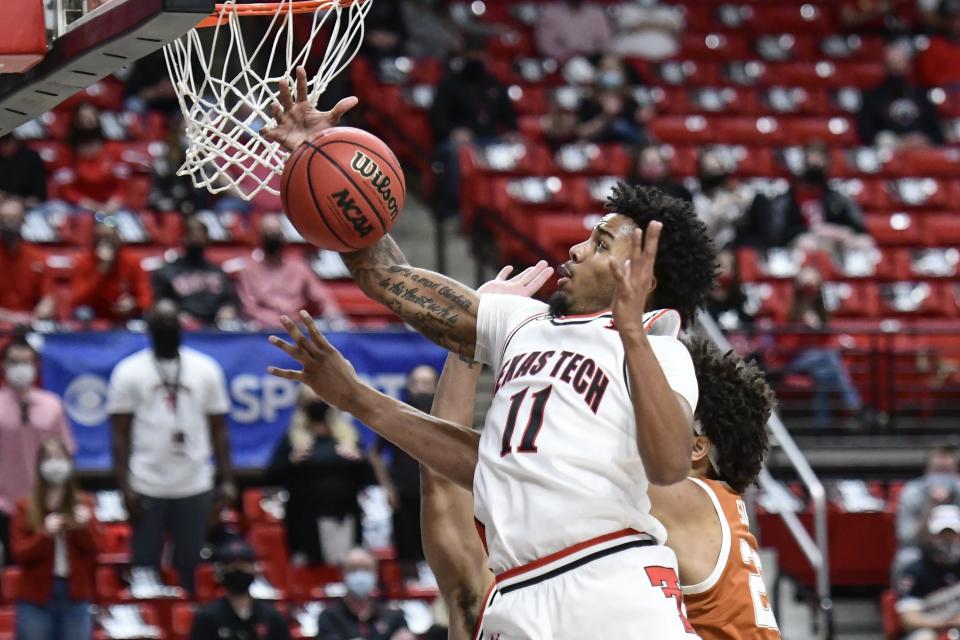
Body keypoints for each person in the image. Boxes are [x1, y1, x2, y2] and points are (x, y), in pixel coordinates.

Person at [266, 71, 717, 638]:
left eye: (600, 244)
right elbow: (387, 277)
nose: (575, 248)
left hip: (608, 579)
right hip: (514, 589)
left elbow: (670, 463)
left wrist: (629, 334)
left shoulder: (657, 347)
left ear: (640, 276)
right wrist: (320, 157)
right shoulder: (522, 324)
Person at [418, 322, 780, 639]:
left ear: (697, 448)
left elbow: (511, 465)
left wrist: (482, 334)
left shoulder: (685, 496)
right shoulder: (708, 511)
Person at [107, 300, 235, 595]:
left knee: (191, 567)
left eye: (171, 323)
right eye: (160, 323)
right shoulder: (128, 371)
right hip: (146, 483)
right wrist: (123, 485)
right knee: (144, 570)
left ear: (181, 328)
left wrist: (227, 479)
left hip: (195, 482)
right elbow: (119, 436)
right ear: (149, 330)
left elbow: (219, 430)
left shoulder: (206, 368)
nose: (167, 329)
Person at [267, 395, 374, 566]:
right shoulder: (292, 439)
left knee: (346, 566)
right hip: (306, 520)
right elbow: (272, 477)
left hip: (344, 516)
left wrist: (359, 459)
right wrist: (291, 460)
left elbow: (369, 477)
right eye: (312, 401)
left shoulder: (348, 437)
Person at [11, 438, 100, 640]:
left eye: (59, 458)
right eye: (49, 458)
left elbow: (96, 549)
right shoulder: (25, 507)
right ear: (40, 465)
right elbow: (19, 553)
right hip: (35, 600)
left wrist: (83, 528)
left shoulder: (84, 503)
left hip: (75, 597)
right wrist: (44, 534)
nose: (55, 464)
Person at [0, 336, 74, 566]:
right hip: (4, 505)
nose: (21, 369)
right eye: (14, 362)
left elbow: (66, 454)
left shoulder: (52, 406)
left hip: (45, 503)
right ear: (3, 365)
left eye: (26, 362)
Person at [430, 41, 518, 219]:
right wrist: (454, 131)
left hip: (491, 140)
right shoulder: (450, 84)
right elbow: (437, 118)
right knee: (457, 153)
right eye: (472, 53)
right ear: (464, 56)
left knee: (519, 151)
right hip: (458, 142)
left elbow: (509, 117)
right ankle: (455, 208)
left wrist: (511, 132)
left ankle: (505, 211)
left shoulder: (493, 84)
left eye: (480, 53)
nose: (476, 57)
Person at [369, 365, 438, 579]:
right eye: (416, 383)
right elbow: (376, 454)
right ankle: (409, 587)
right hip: (404, 492)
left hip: (438, 494)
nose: (421, 389)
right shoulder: (397, 416)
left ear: (436, 387)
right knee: (407, 549)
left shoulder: (446, 416)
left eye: (426, 384)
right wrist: (388, 488)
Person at [740, 144, 873, 252]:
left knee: (865, 242)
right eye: (812, 157)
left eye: (820, 158)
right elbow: (780, 232)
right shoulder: (789, 197)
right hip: (805, 240)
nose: (816, 162)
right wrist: (812, 230)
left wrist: (840, 232)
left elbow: (858, 227)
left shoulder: (836, 197)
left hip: (834, 239)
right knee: (808, 244)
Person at [777, 266, 864, 427]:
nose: (809, 291)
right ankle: (854, 404)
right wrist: (802, 327)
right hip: (794, 360)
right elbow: (784, 345)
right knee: (829, 357)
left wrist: (818, 328)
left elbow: (827, 341)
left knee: (823, 373)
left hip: (818, 361)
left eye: (813, 286)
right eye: (806, 286)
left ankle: (822, 423)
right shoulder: (788, 310)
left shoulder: (821, 311)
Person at [236, 214, 343, 329]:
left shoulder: (299, 267)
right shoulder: (249, 270)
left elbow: (322, 297)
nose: (273, 237)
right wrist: (274, 321)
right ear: (260, 237)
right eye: (268, 233)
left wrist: (332, 314)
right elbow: (248, 308)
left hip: (295, 328)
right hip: (263, 331)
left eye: (276, 233)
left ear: (283, 236)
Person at [189, 539, 290, 640]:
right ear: (220, 572)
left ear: (255, 570)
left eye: (243, 564)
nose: (238, 569)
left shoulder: (272, 618)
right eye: (232, 565)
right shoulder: (207, 618)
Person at [151, 217, 239, 327]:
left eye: (200, 236)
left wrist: (228, 309)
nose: (196, 240)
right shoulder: (168, 270)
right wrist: (176, 315)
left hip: (215, 325)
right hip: (181, 326)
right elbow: (161, 302)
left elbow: (230, 300)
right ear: (183, 238)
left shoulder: (216, 271)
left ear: (206, 239)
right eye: (192, 236)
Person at [857, 40, 945, 148]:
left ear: (908, 65)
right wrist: (898, 141)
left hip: (921, 152)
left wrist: (924, 138)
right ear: (885, 66)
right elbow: (866, 133)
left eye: (900, 63)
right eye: (892, 64)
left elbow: (938, 133)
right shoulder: (872, 97)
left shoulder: (922, 95)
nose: (897, 69)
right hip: (889, 154)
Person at [315, 547, 414, 640]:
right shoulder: (329, 617)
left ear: (376, 574)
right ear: (341, 575)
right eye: (353, 569)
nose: (360, 574)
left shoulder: (393, 615)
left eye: (366, 569)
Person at [69, 215, 153, 323]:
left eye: (110, 238)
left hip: (127, 313)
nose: (106, 243)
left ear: (118, 238)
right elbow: (78, 300)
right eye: (101, 238)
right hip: (96, 312)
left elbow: (147, 299)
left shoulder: (133, 261)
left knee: (149, 314)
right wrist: (101, 271)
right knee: (82, 313)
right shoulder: (83, 262)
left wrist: (134, 303)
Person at [895, 505, 960, 639]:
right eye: (941, 534)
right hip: (929, 629)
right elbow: (909, 620)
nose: (947, 539)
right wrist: (946, 623)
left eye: (952, 534)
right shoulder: (915, 571)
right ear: (930, 535)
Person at [55, 102, 130, 214]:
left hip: (111, 205)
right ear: (75, 121)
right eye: (83, 118)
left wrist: (113, 203)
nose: (87, 121)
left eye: (91, 117)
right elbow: (66, 188)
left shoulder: (113, 148)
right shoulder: (66, 151)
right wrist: (91, 206)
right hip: (78, 206)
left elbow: (123, 184)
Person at [895, 447, 960, 574]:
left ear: (956, 472)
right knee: (905, 558)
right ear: (927, 471)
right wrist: (932, 506)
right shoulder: (912, 493)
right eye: (937, 471)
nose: (942, 477)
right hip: (922, 550)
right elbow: (908, 540)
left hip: (957, 547)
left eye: (947, 471)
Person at [574, 54, 651, 146]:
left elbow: (642, 131)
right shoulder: (588, 100)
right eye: (606, 69)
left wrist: (644, 115)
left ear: (622, 72)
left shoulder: (630, 99)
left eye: (613, 69)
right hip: (597, 148)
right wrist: (606, 116)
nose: (609, 72)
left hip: (629, 149)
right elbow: (582, 132)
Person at [0, 197, 55, 323]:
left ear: (23, 221)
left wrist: (38, 315)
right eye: (4, 220)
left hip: (29, 326)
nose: (9, 224)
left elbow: (48, 299)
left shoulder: (37, 256)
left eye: (13, 219)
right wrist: (12, 319)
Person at [692, 148, 753, 249]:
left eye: (716, 167)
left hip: (736, 244)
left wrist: (735, 199)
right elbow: (704, 230)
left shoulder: (737, 190)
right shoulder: (700, 198)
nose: (713, 172)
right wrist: (720, 209)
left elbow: (748, 203)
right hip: (711, 244)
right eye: (708, 169)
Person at [534, 0, 613, 61]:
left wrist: (591, 55)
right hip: (560, 63)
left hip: (592, 61)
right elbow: (546, 45)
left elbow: (605, 43)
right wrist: (567, 56)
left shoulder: (596, 13)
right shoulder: (550, 13)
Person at [610, 0, 684, 61]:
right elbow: (629, 26)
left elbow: (675, 28)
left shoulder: (669, 11)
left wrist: (645, 24)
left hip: (664, 57)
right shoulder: (625, 8)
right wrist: (659, 25)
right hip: (629, 56)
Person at [917, 0, 960, 90]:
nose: (955, 22)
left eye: (958, 17)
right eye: (949, 18)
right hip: (943, 97)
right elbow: (929, 78)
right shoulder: (931, 46)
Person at [628, 145, 692, 203]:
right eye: (646, 163)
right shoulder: (629, 191)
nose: (651, 167)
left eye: (655, 162)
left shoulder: (680, 192)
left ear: (665, 166)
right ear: (638, 166)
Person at [0, 135, 47, 205]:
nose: (3, 147)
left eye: (6, 143)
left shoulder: (30, 157)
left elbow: (39, 187)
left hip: (27, 201)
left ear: (14, 141)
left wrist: (29, 200)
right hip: (4, 202)